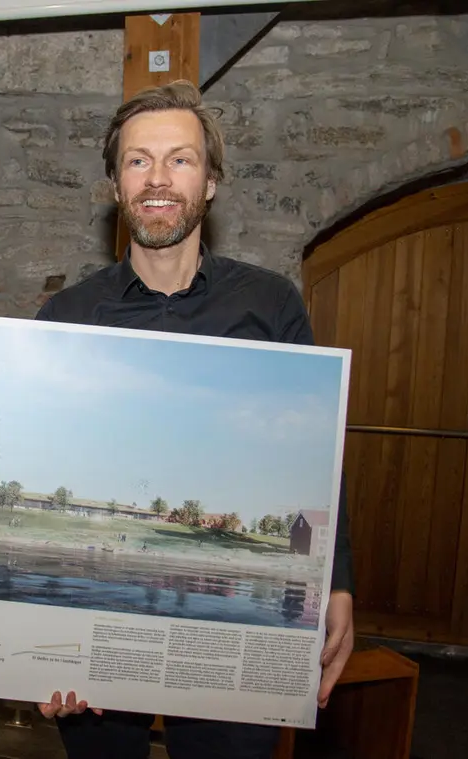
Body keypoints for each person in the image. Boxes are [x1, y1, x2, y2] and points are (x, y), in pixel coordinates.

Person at [32, 80, 356, 759]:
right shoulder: (66, 317)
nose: (157, 178)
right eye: (138, 160)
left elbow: (315, 458)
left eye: (180, 159)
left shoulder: (271, 306)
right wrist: (37, 648)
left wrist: (339, 581)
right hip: (99, 614)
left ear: (211, 182)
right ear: (116, 184)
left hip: (234, 636)